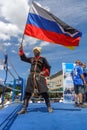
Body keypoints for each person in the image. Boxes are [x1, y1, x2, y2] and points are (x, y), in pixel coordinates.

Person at [18, 44, 53, 114]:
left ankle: (49, 107)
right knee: (27, 92)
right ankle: (24, 108)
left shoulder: (43, 59)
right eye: (34, 51)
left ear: (39, 52)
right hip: (31, 76)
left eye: (36, 51)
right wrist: (21, 50)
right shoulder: (31, 59)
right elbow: (23, 58)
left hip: (39, 76)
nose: (34, 52)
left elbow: (48, 67)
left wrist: (44, 72)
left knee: (44, 92)